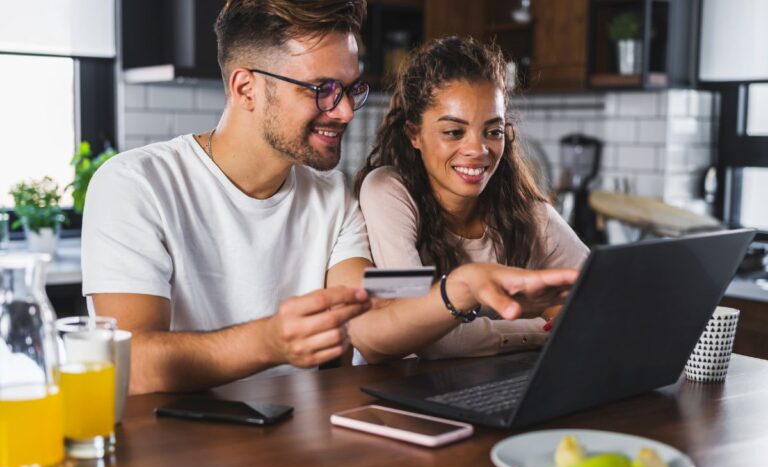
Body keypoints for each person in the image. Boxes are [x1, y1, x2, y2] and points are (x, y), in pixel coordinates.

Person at [82, 0, 578, 394]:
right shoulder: (136, 185)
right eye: (320, 89)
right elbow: (132, 366)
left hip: (307, 448)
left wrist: (461, 290)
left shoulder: (333, 196)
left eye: (349, 89)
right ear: (246, 88)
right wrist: (271, 341)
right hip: (177, 461)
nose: (343, 112)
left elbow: (379, 320)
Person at [353, 37, 588, 363]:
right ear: (414, 133)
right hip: (399, 393)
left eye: (493, 132)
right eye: (454, 132)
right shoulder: (388, 191)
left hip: (491, 389)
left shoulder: (528, 213)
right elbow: (428, 337)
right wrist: (540, 330)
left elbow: (597, 299)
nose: (478, 150)